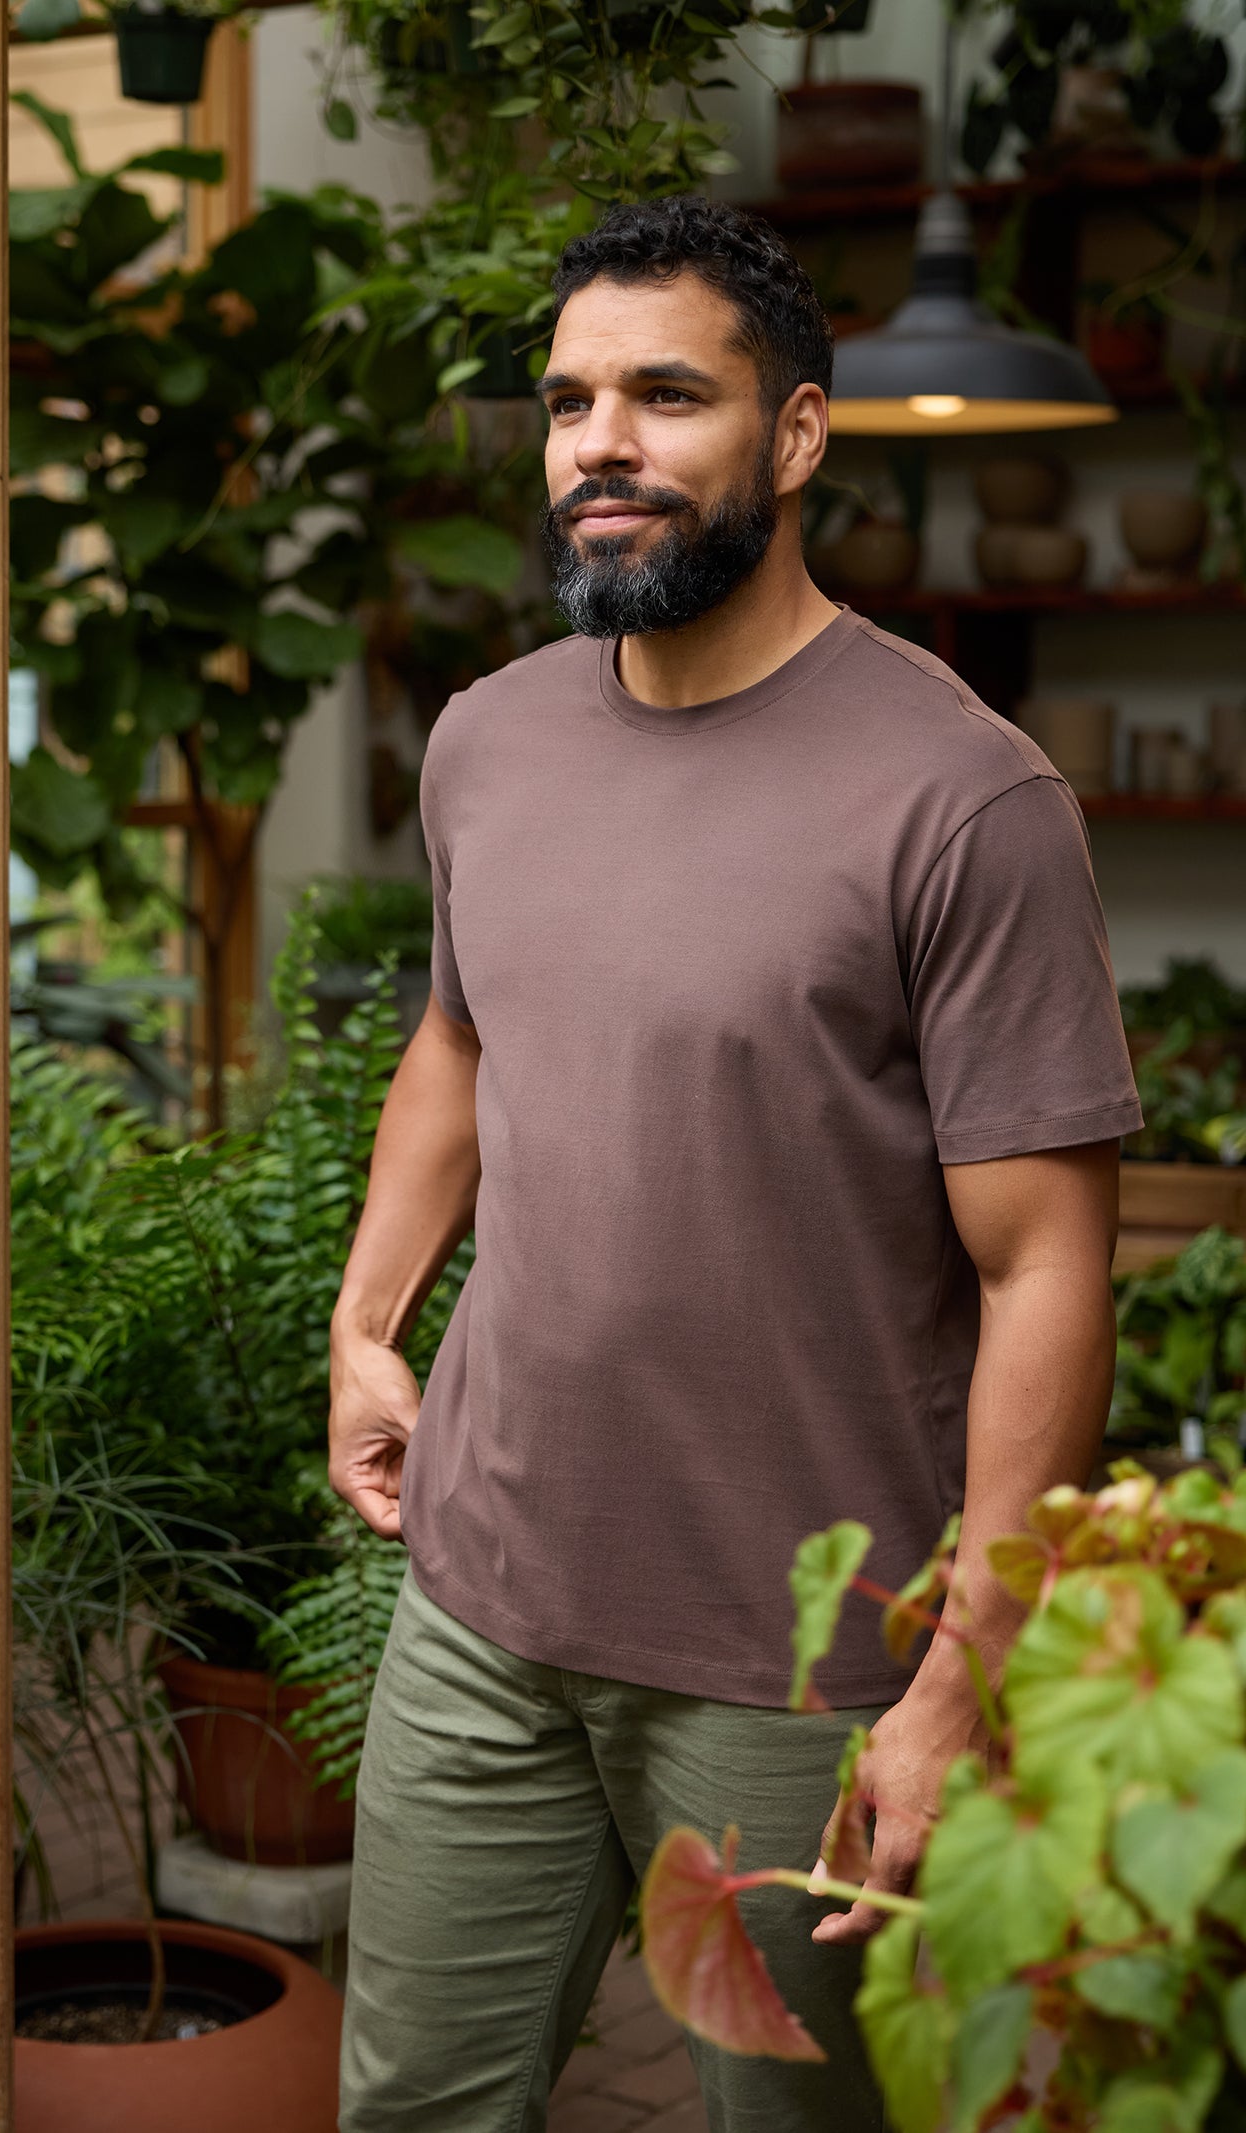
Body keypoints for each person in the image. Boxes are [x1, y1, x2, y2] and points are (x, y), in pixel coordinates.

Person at [328, 194, 1141, 2133]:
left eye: (663, 394)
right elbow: (455, 1039)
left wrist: (952, 1683)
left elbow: (1043, 1267)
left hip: (797, 1670)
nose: (596, 442)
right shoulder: (489, 741)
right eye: (565, 399)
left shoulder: (960, 797)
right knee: (411, 2108)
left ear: (791, 433)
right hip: (485, 1596)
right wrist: (367, 1325)